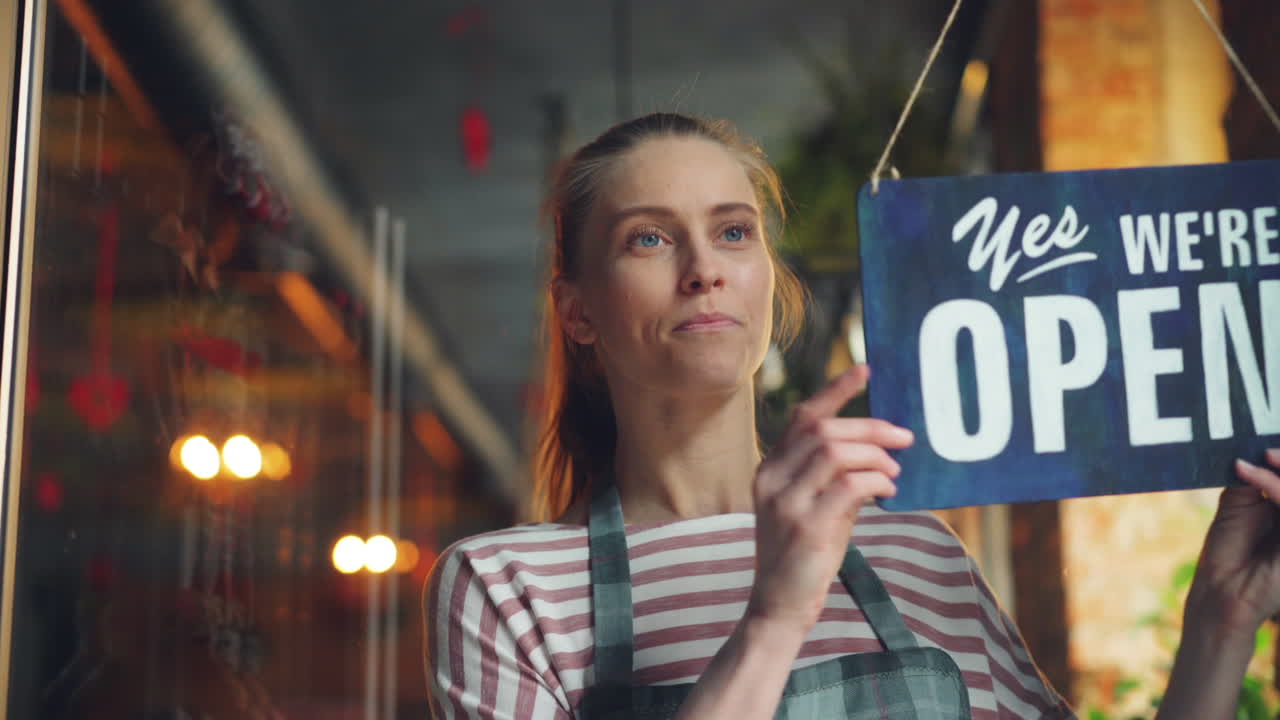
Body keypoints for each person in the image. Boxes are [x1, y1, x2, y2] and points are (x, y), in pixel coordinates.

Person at [423, 112, 1280, 719]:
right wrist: (774, 616)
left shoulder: (918, 551)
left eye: (732, 232)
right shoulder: (505, 589)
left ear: (767, 278)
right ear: (577, 312)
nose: (703, 270)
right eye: (648, 238)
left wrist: (1222, 618)